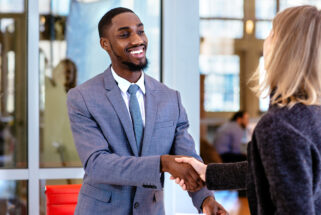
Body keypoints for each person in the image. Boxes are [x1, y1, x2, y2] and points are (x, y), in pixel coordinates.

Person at [173, 5, 321, 215]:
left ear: (283, 48)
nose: (266, 40)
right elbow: (274, 171)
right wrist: (207, 173)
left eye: (272, 32)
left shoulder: (279, 125)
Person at [67, 7, 227, 215]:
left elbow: (186, 158)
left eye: (140, 31)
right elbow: (97, 164)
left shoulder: (171, 99)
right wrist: (162, 163)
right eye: (125, 34)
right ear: (105, 44)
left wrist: (205, 200)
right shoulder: (83, 97)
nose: (136, 40)